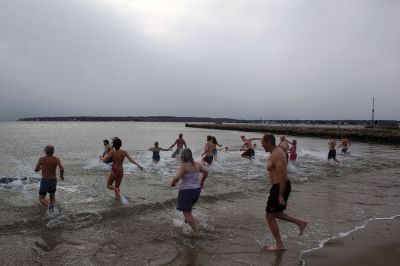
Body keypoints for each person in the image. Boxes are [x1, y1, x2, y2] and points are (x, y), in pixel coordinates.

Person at [261, 133, 307, 251]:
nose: (262, 146)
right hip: (278, 187)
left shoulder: (276, 155)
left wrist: (280, 195)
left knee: (270, 216)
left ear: (268, 143)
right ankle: (300, 223)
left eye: (263, 143)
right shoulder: (277, 151)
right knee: (271, 214)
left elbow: (282, 175)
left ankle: (279, 245)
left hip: (280, 186)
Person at [171, 149, 208, 232]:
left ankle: (196, 230)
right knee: (188, 210)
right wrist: (202, 182)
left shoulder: (184, 166)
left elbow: (177, 177)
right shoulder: (197, 164)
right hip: (196, 190)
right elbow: (206, 172)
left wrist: (173, 183)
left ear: (183, 156)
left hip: (187, 191)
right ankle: (187, 226)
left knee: (186, 213)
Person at [34, 145, 64, 213]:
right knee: (52, 198)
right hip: (53, 180)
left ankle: (50, 206)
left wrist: (41, 168)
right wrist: (61, 176)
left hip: (45, 180)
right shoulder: (56, 159)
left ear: (45, 151)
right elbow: (61, 169)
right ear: (53, 151)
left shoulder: (42, 159)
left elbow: (36, 170)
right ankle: (52, 212)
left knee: (41, 198)